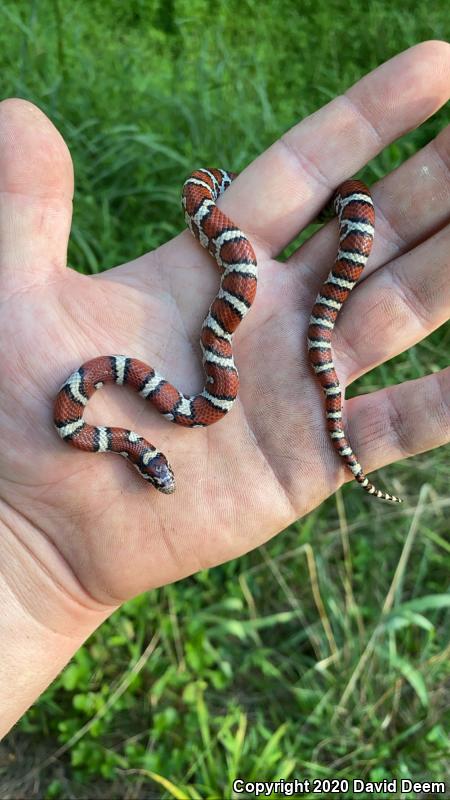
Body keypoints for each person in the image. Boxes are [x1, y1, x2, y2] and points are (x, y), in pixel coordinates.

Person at [1, 41, 449, 739]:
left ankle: (345, 215)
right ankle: (343, 221)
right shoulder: (115, 416)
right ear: (134, 453)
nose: (160, 469)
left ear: (142, 454)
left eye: (156, 465)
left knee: (345, 239)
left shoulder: (158, 405)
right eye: (156, 466)